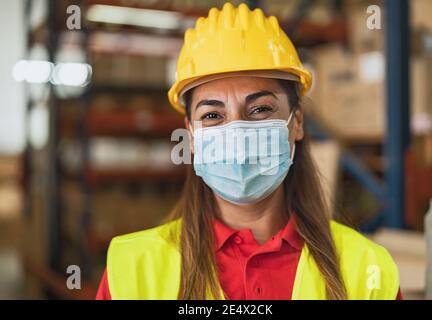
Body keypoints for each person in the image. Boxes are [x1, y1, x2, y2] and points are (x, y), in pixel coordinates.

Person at [96, 2, 401, 300]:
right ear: (191, 134)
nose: (237, 131)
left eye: (259, 109)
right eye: (213, 115)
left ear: (297, 123)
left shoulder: (366, 269)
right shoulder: (132, 269)